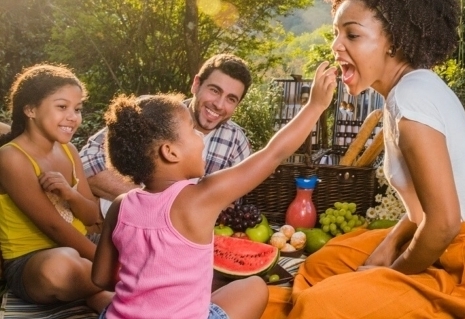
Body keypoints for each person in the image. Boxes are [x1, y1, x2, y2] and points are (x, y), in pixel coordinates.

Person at [261, 0, 465, 318]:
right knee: (324, 262)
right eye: (335, 33)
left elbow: (444, 223)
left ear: (393, 40)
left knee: (321, 304)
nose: (336, 45)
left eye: (352, 35)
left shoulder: (413, 98)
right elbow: (421, 211)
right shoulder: (404, 93)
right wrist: (387, 247)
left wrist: (389, 274)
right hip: (442, 240)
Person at [91, 61, 337, 319]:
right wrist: (315, 106)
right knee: (255, 288)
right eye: (191, 131)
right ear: (170, 152)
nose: (200, 138)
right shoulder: (200, 198)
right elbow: (274, 153)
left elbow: (100, 278)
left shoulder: (120, 204)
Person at [79, 53, 253, 217]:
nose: (219, 105)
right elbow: (85, 163)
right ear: (196, 84)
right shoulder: (156, 111)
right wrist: (157, 203)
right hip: (113, 224)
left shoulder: (236, 143)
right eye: (215, 90)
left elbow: (228, 207)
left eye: (231, 99)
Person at [0, 64, 112, 313]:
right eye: (62, 107)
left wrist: (70, 194)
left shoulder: (69, 151)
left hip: (83, 243)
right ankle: (131, 285)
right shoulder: (11, 158)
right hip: (33, 260)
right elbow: (54, 228)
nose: (73, 117)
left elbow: (91, 216)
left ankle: (99, 295)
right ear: (30, 109)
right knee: (60, 267)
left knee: (137, 238)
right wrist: (112, 266)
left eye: (78, 109)